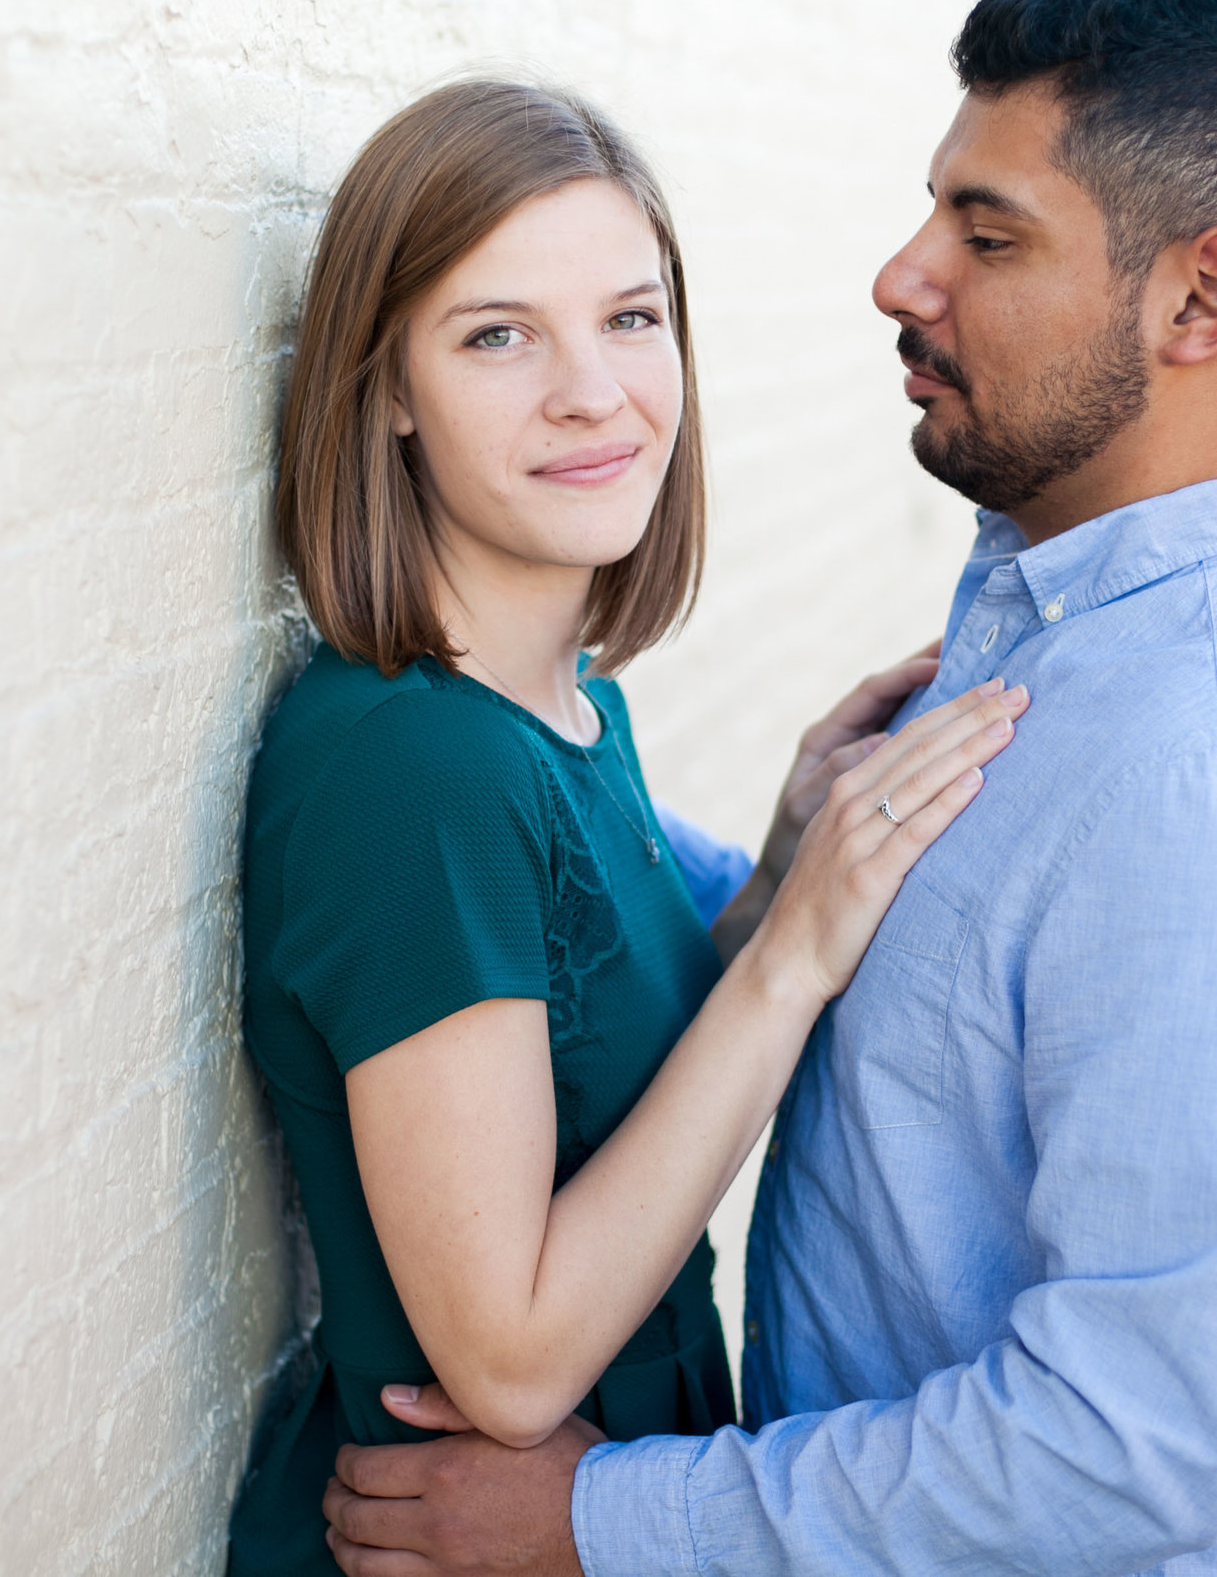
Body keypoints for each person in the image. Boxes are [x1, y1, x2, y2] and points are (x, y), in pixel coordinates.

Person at [319, 0, 1217, 1576]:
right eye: (933, 209)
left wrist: (605, 1522)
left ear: (1204, 300)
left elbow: (1122, 1447)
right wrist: (770, 883)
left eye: (987, 235)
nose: (900, 274)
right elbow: (954, 1020)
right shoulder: (1063, 600)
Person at [225, 80, 1029, 1574]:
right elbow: (511, 1359)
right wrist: (792, 955)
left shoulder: (569, 706)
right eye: (496, 335)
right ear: (385, 385)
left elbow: (586, 1052)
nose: (592, 391)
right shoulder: (420, 768)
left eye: (631, 318)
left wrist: (777, 873)